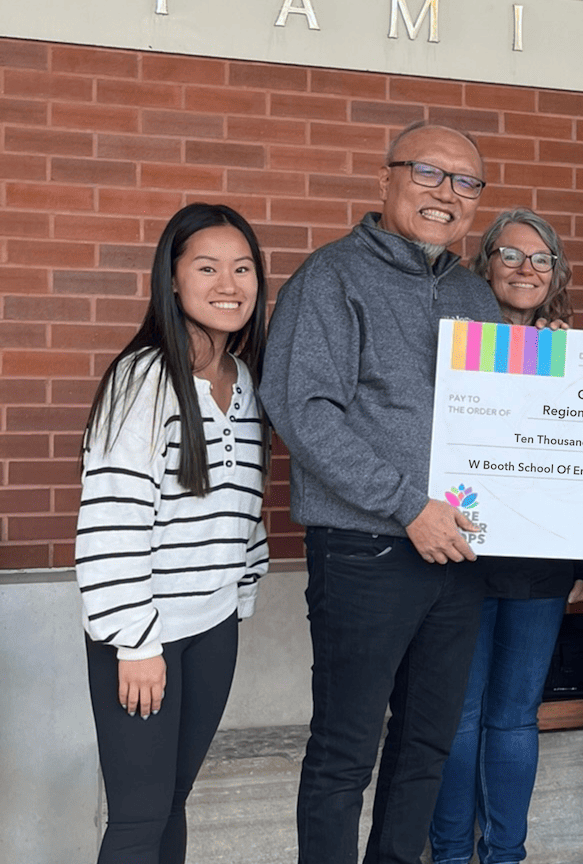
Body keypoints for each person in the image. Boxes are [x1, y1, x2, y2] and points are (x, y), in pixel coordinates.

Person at [261, 121, 501, 864]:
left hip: (458, 554)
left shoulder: (474, 295)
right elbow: (301, 408)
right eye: (429, 173)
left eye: (466, 183)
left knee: (426, 746)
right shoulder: (330, 278)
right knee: (345, 752)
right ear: (387, 178)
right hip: (366, 551)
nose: (446, 194)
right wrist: (408, 506)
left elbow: (503, 428)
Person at [75, 202, 270, 863]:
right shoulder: (145, 380)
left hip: (213, 630)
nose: (229, 284)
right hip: (145, 636)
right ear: (173, 278)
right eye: (208, 267)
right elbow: (111, 517)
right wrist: (134, 642)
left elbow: (246, 508)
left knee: (172, 803)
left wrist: (241, 597)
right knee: (138, 817)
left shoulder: (246, 383)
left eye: (242, 268)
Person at [427, 208, 583, 864]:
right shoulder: (451, 342)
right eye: (511, 255)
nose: (527, 269)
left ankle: (503, 856)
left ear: (555, 276)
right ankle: (447, 855)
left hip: (540, 561)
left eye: (541, 259)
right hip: (457, 552)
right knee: (460, 717)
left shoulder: (573, 354)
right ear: (484, 263)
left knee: (515, 715)